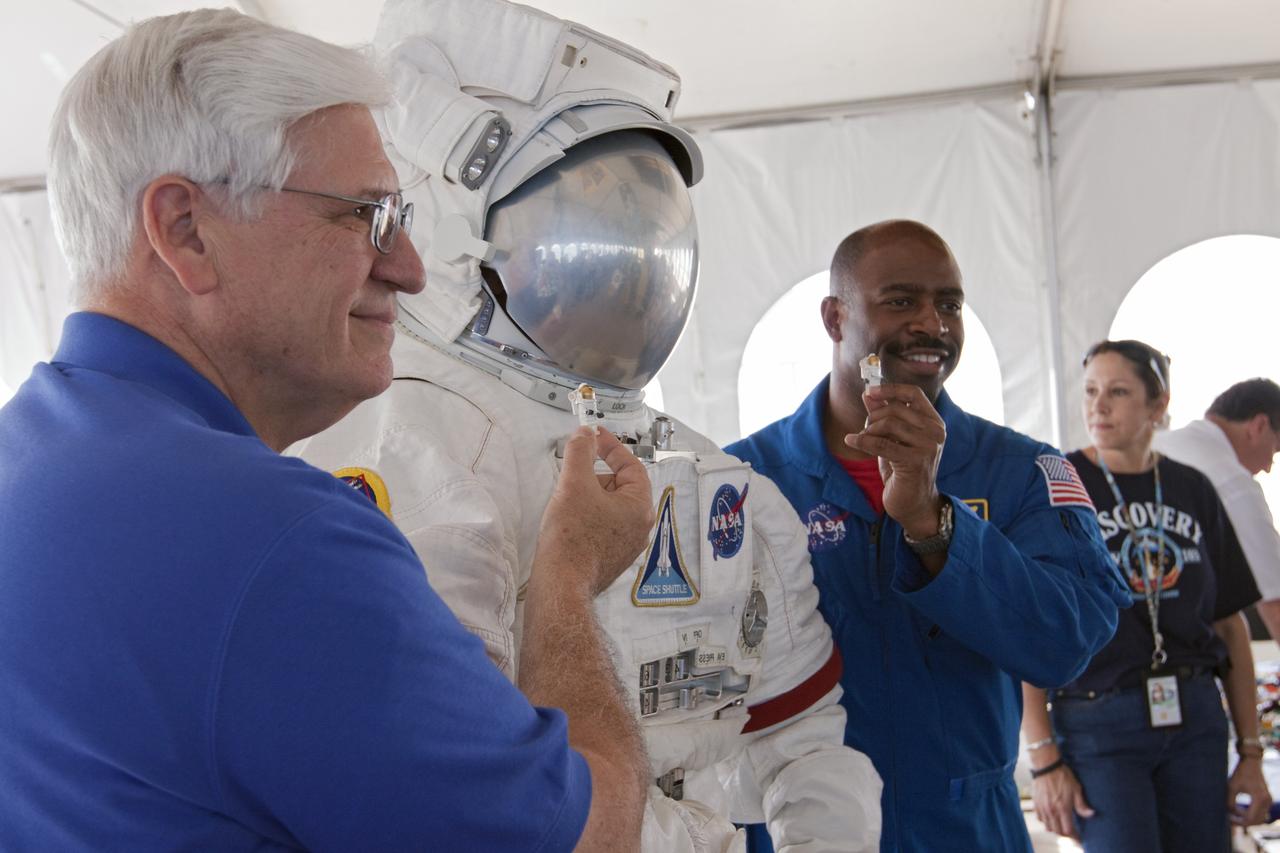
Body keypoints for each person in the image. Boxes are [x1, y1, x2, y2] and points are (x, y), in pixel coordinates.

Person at [0, 9, 658, 849]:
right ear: (185, 231)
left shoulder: (27, 460)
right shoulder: (277, 541)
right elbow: (590, 836)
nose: (411, 270)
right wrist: (567, 572)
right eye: (365, 216)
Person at [295, 1, 882, 850]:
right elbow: (459, 784)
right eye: (588, 222)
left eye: (647, 221)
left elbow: (805, 736)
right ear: (464, 237)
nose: (633, 266)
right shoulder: (408, 451)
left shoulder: (722, 487)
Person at [726, 219, 1130, 852]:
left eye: (949, 304)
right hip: (803, 834)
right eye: (901, 301)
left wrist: (934, 523)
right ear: (835, 319)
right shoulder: (741, 482)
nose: (932, 324)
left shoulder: (1022, 472)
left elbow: (1068, 643)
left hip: (968, 831)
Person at [1021, 340, 1270, 852]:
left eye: (1117, 392)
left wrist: (1249, 752)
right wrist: (1044, 758)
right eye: (1090, 391)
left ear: (1157, 406)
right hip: (1097, 719)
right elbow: (1030, 627)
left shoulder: (1192, 488)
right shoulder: (1060, 484)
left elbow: (1229, 625)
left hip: (1196, 713)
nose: (1098, 406)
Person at [1154, 378, 1280, 641]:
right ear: (1259, 426)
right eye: (1275, 450)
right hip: (1181, 650)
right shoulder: (1233, 481)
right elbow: (1276, 604)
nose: (1269, 466)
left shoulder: (1158, 443)